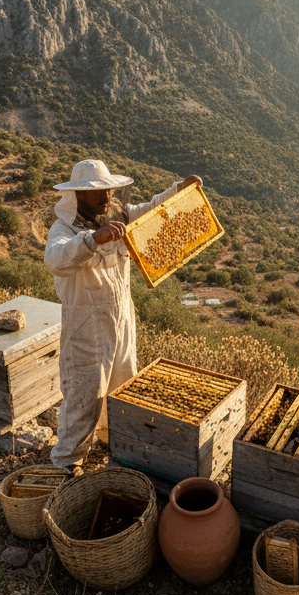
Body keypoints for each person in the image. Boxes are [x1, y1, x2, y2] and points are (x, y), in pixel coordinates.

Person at [45, 159, 203, 474]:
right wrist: (93, 239)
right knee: (85, 392)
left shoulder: (119, 216)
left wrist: (179, 190)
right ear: (78, 196)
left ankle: (107, 440)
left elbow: (152, 209)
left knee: (121, 384)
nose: (107, 196)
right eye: (98, 192)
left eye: (108, 189)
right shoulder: (64, 229)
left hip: (121, 316)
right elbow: (55, 260)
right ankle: (66, 461)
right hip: (86, 324)